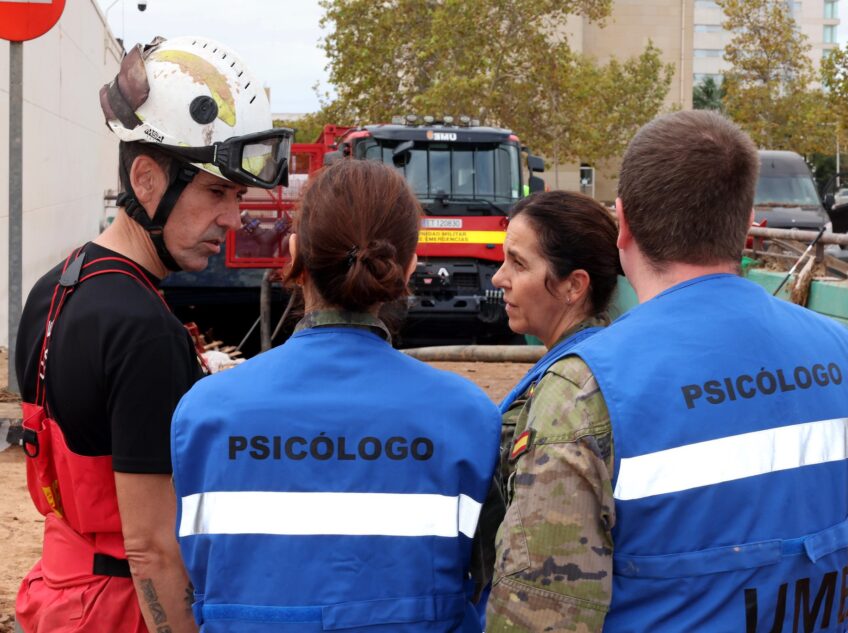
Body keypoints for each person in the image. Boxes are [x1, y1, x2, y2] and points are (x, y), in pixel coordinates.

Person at [486, 110, 848, 632]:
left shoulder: (584, 392)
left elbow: (540, 618)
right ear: (744, 215)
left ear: (625, 224)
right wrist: (843, 573)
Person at [14, 36, 291, 633]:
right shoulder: (142, 330)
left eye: (239, 197)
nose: (232, 218)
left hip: (60, 597)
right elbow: (151, 549)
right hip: (122, 611)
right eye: (216, 192)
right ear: (146, 179)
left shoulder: (57, 285)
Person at [170, 159, 502, 632]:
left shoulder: (204, 412)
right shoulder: (468, 415)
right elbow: (490, 576)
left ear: (292, 254)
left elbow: (194, 568)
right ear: (408, 268)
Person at [471, 192, 619, 601]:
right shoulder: (604, 359)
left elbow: (548, 580)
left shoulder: (569, 393)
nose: (499, 278)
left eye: (518, 263)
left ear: (573, 285)